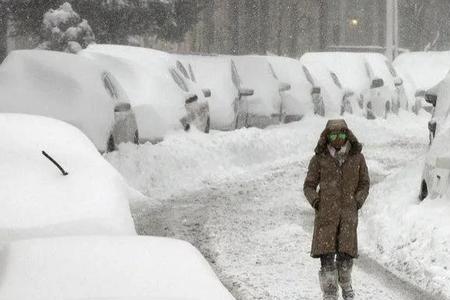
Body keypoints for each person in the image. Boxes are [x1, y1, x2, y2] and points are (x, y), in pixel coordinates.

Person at [303, 119, 370, 300]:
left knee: (345, 258)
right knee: (327, 260)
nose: (338, 138)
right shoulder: (319, 159)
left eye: (342, 134)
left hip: (348, 217)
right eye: (333, 134)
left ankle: (347, 287)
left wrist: (357, 201)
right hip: (326, 218)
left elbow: (364, 183)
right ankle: (330, 294)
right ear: (327, 136)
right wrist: (316, 202)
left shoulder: (357, 158)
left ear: (347, 135)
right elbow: (309, 185)